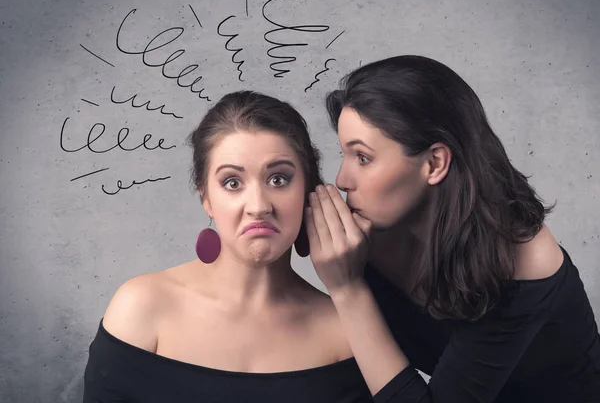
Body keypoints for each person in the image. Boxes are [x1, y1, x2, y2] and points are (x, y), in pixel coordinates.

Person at [304, 55, 600, 402]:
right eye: (344, 154)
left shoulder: (522, 257)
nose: (341, 180)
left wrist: (348, 290)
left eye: (363, 157)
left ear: (434, 163)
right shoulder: (370, 227)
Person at [82, 91, 372, 402]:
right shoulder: (142, 307)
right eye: (232, 183)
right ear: (206, 197)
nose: (258, 206)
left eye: (278, 179)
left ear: (309, 191)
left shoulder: (346, 331)